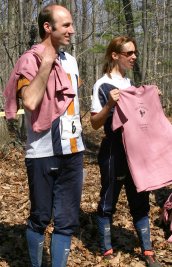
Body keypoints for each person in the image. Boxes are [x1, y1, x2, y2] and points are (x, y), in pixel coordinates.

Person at [3, 4, 84, 267]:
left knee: (67, 221)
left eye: (72, 24)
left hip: (73, 150)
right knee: (40, 217)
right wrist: (47, 62)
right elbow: (30, 100)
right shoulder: (31, 59)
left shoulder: (71, 61)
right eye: (66, 25)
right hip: (43, 152)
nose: (72, 30)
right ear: (48, 28)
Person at [90, 36, 161, 267]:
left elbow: (142, 120)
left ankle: (148, 252)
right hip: (113, 153)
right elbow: (94, 124)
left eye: (135, 53)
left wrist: (152, 101)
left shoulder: (131, 85)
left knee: (140, 199)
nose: (134, 57)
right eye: (129, 53)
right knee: (108, 201)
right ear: (115, 55)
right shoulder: (102, 85)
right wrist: (109, 104)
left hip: (136, 155)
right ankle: (106, 249)